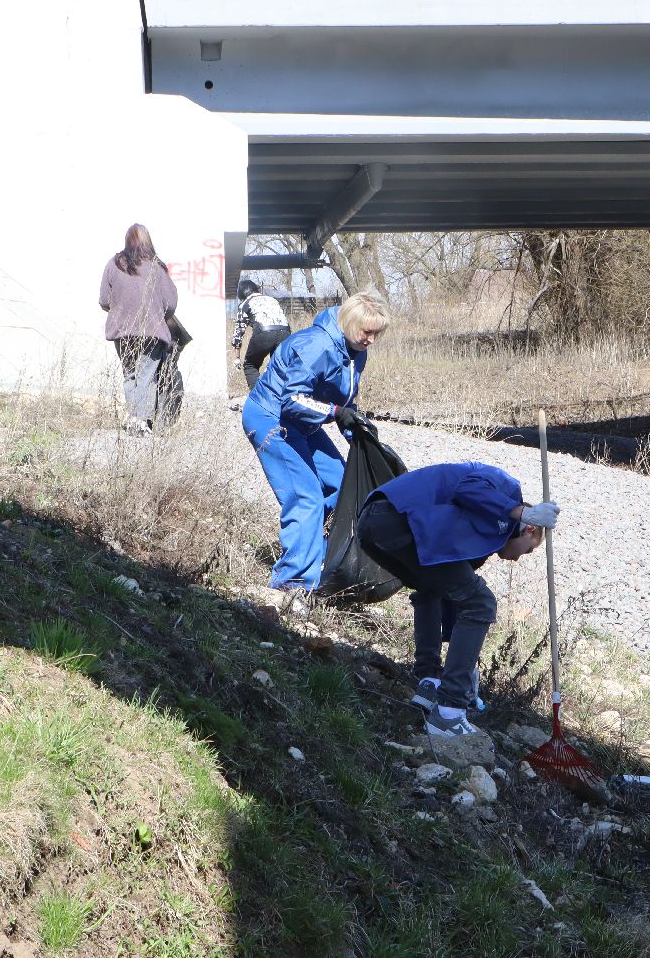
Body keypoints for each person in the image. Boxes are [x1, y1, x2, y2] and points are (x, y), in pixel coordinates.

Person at [356, 462, 560, 739]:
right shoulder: (508, 488)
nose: (515, 559)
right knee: (482, 603)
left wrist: (464, 663)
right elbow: (469, 487)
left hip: (372, 524)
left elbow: (451, 597)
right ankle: (449, 711)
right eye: (527, 552)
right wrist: (524, 511)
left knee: (432, 589)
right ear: (530, 530)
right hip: (396, 517)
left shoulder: (479, 536)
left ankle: (430, 682)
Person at [241, 290, 388, 596]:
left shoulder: (355, 352)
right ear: (349, 323)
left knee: (341, 482)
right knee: (305, 496)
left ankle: (318, 557)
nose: (371, 340)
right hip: (272, 418)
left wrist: (356, 430)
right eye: (367, 332)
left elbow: (343, 400)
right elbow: (292, 400)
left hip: (302, 422)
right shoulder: (316, 346)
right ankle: (292, 584)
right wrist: (336, 413)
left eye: (377, 333)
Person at [99, 224, 182, 436]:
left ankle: (133, 420)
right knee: (147, 376)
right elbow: (171, 304)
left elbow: (104, 300)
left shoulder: (114, 263)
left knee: (130, 376)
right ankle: (141, 421)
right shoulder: (156, 266)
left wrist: (121, 309)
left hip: (121, 332)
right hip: (151, 331)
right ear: (148, 241)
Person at [231, 278, 291, 391]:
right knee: (279, 367)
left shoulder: (245, 304)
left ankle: (258, 398)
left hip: (264, 333)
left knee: (250, 365)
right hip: (285, 333)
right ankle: (282, 396)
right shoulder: (272, 299)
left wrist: (237, 357)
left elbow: (238, 332)